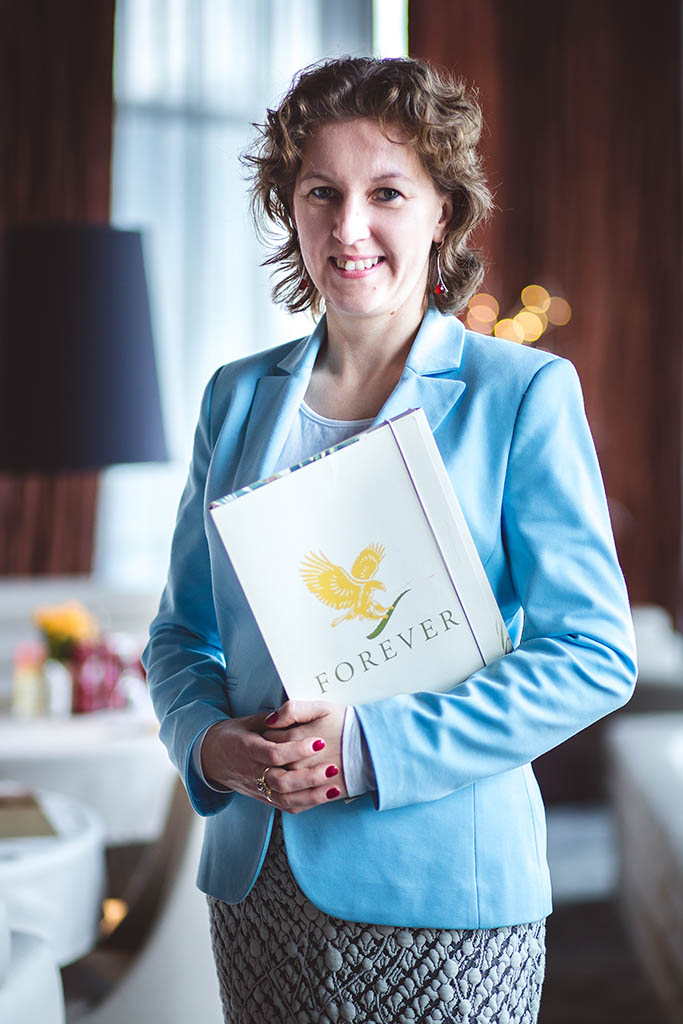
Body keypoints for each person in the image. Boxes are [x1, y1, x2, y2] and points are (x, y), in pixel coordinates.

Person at [142, 56, 637, 1024]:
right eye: (320, 192)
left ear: (441, 210)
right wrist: (206, 744)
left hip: (446, 889)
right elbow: (180, 635)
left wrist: (367, 746)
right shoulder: (234, 397)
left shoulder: (521, 393)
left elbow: (592, 654)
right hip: (256, 890)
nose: (347, 227)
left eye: (386, 193)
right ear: (289, 207)